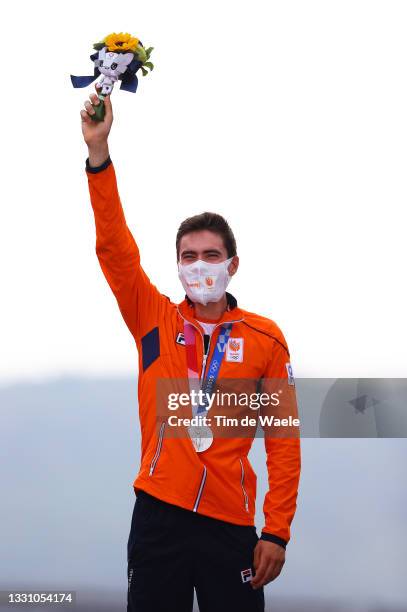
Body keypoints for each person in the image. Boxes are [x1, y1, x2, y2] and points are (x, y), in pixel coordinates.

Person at [80, 86, 301, 612]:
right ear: (177, 265)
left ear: (232, 264)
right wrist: (98, 155)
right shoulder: (153, 318)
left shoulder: (266, 338)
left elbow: (284, 443)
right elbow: (114, 248)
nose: (199, 265)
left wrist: (277, 531)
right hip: (160, 514)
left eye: (211, 255)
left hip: (232, 524)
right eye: (188, 256)